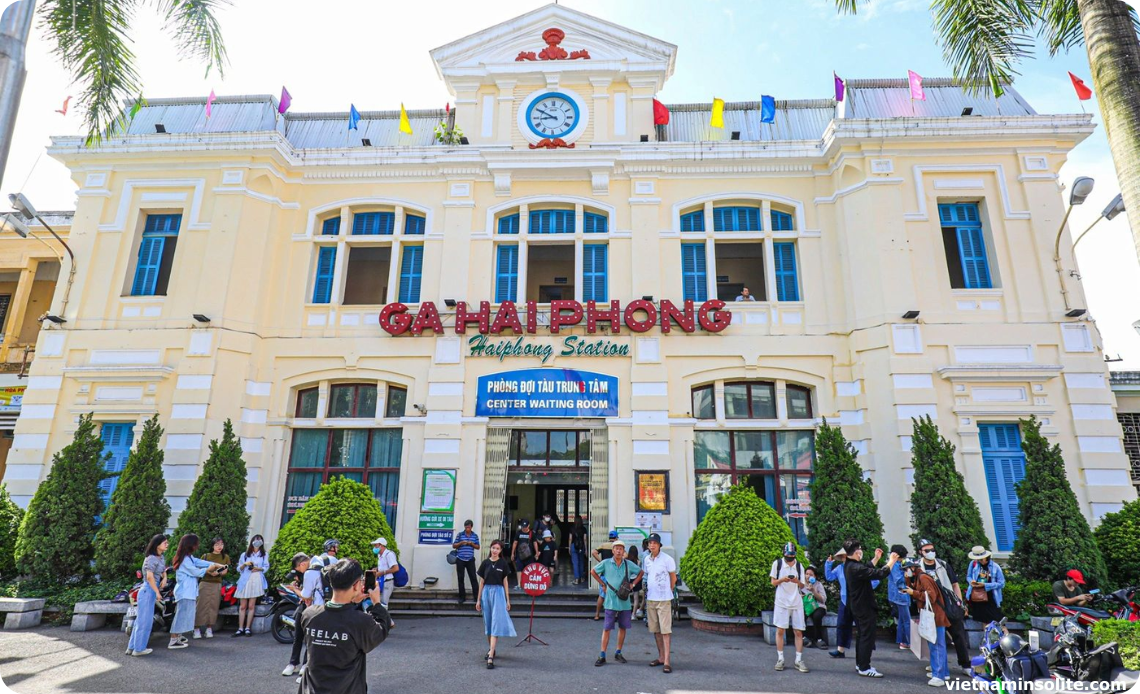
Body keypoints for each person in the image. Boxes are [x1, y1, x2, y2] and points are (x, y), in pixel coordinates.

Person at [296, 558, 391, 694]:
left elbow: (336, 616)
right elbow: (381, 629)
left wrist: (351, 603)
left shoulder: (309, 615)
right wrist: (376, 603)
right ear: (356, 585)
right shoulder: (360, 621)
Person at [843, 539, 898, 678]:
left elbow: (866, 569)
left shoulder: (850, 565)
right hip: (864, 607)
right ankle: (864, 667)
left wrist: (876, 558)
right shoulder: (855, 568)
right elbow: (880, 573)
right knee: (866, 637)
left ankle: (860, 663)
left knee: (862, 636)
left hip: (857, 606)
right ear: (856, 552)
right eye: (860, 549)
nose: (861, 551)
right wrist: (891, 561)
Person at [917, 538, 971, 676]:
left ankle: (965, 664)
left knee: (958, 634)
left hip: (949, 605)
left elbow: (955, 584)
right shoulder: (918, 568)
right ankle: (938, 666)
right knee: (934, 638)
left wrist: (960, 602)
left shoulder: (943, 565)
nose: (931, 553)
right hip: (932, 608)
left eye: (932, 550)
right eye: (927, 550)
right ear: (920, 552)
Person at [591, 538, 643, 666]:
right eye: (616, 549)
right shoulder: (606, 563)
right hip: (610, 600)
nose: (619, 551)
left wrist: (633, 584)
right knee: (607, 628)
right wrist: (602, 584)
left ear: (624, 551)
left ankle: (618, 652)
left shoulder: (628, 564)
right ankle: (602, 654)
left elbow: (641, 572)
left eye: (621, 549)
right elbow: (593, 571)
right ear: (613, 551)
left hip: (624, 601)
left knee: (623, 627)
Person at [169, 534, 226, 650]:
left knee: (185, 616)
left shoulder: (188, 557)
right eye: (196, 543)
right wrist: (209, 569)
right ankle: (173, 640)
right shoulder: (185, 559)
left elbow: (199, 562)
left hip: (188, 592)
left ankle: (178, 637)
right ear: (190, 545)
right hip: (184, 592)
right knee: (181, 616)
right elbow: (195, 571)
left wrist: (215, 565)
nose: (197, 545)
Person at [905, 559, 951, 687]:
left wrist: (912, 593)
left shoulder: (924, 578)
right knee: (938, 645)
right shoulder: (920, 577)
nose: (906, 571)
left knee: (935, 645)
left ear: (913, 568)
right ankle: (943, 673)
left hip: (935, 616)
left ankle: (939, 676)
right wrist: (909, 584)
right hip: (934, 615)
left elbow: (931, 596)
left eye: (906, 569)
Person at [283, 548, 326, 677]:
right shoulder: (322, 562)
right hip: (321, 607)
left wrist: (294, 589)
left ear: (302, 564)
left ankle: (294, 664)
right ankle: (304, 665)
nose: (299, 573)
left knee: (301, 636)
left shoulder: (310, 572)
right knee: (310, 637)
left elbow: (306, 596)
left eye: (298, 570)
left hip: (312, 608)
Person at [126, 534, 168, 657]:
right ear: (157, 544)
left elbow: (163, 570)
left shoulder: (160, 557)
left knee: (142, 620)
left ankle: (132, 647)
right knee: (144, 622)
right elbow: (149, 577)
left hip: (150, 591)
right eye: (165, 543)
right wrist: (157, 592)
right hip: (147, 590)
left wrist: (164, 578)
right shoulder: (151, 558)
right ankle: (139, 649)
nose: (167, 545)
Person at [475, 539, 515, 669]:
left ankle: (491, 655)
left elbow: (505, 583)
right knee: (488, 622)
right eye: (493, 548)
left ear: (500, 551)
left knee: (496, 623)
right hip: (486, 593)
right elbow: (481, 582)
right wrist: (478, 599)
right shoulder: (485, 563)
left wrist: (508, 600)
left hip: (498, 593)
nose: (495, 550)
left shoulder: (503, 563)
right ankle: (491, 648)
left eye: (497, 548)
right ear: (490, 548)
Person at [770, 541, 809, 673]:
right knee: (780, 630)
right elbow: (773, 582)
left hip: (796, 601)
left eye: (792, 556)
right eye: (788, 556)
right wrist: (783, 579)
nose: (790, 558)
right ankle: (780, 658)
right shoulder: (778, 564)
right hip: (781, 601)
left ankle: (798, 660)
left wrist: (796, 581)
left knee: (798, 631)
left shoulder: (799, 566)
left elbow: (803, 585)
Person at [641, 533, 677, 673]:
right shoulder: (646, 559)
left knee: (665, 631)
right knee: (655, 630)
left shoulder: (667, 559)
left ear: (659, 545)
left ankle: (667, 660)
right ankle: (661, 657)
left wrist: (668, 592)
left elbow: (673, 578)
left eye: (654, 543)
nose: (652, 545)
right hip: (651, 599)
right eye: (650, 543)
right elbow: (647, 575)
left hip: (663, 599)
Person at [234, 534, 269, 637]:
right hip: (245, 579)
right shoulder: (244, 554)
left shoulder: (264, 554)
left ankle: (248, 628)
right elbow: (238, 568)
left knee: (251, 605)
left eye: (259, 540)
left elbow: (266, 567)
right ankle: (240, 628)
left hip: (256, 578)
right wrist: (245, 564)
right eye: (256, 539)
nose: (257, 542)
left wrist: (258, 568)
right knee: (243, 606)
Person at [194, 536, 229, 639]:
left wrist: (216, 572)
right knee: (200, 605)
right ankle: (196, 628)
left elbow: (225, 570)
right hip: (205, 582)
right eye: (217, 544)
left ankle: (209, 628)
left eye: (221, 544)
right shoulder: (205, 556)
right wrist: (209, 572)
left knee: (213, 606)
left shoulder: (225, 557)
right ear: (212, 545)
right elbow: (199, 568)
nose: (219, 547)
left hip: (217, 583)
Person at [825, 547, 853, 657]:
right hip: (844, 600)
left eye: (846, 555)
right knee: (841, 624)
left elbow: (875, 581)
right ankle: (840, 650)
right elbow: (829, 577)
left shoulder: (858, 567)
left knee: (861, 626)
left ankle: (866, 650)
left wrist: (865, 590)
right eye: (843, 556)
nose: (844, 558)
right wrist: (828, 564)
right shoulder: (839, 568)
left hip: (857, 600)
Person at [965, 546, 1005, 625]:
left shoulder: (995, 567)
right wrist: (971, 582)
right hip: (978, 596)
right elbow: (968, 576)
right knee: (984, 621)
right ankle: (987, 637)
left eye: (981, 559)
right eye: (978, 559)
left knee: (998, 622)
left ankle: (1003, 637)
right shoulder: (973, 564)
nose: (980, 561)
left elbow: (1001, 583)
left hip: (991, 597)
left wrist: (985, 585)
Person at [887, 544, 911, 650]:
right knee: (906, 620)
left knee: (902, 619)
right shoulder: (896, 565)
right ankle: (908, 641)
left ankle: (902, 641)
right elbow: (899, 580)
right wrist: (906, 577)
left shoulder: (892, 564)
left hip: (895, 595)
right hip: (900, 595)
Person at [372, 537, 399, 629]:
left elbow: (395, 568)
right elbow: (384, 567)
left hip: (388, 581)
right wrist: (377, 569)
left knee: (383, 604)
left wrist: (382, 572)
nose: (375, 547)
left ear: (381, 546)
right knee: (380, 603)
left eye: (376, 545)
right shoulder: (380, 555)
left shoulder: (389, 554)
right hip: (381, 581)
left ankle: (387, 623)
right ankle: (389, 622)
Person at [452, 520, 480, 605]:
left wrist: (472, 544)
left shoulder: (475, 536)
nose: (467, 528)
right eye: (466, 527)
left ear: (471, 527)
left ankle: (476, 597)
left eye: (468, 527)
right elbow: (454, 545)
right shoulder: (460, 535)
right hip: (460, 559)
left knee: (473, 578)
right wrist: (461, 543)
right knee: (460, 579)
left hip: (470, 560)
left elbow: (478, 547)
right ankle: (461, 597)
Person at [591, 530, 618, 620]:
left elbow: (593, 552)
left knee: (602, 595)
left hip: (604, 574)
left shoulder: (603, 545)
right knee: (614, 595)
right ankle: (613, 616)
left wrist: (601, 562)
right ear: (616, 538)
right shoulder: (617, 547)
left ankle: (597, 614)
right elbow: (625, 555)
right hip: (614, 574)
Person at [802, 566, 828, 649]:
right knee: (801, 614)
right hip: (806, 606)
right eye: (806, 574)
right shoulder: (801, 585)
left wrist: (813, 591)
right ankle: (804, 637)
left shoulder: (818, 584)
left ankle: (818, 639)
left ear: (815, 576)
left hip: (818, 606)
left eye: (811, 574)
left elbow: (823, 599)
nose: (808, 576)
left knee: (817, 616)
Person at [569, 515, 588, 585]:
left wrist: (569, 547)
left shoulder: (572, 528)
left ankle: (577, 579)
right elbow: (585, 539)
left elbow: (570, 538)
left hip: (574, 546)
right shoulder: (584, 529)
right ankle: (582, 578)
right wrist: (586, 549)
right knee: (581, 562)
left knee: (575, 563)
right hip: (581, 546)